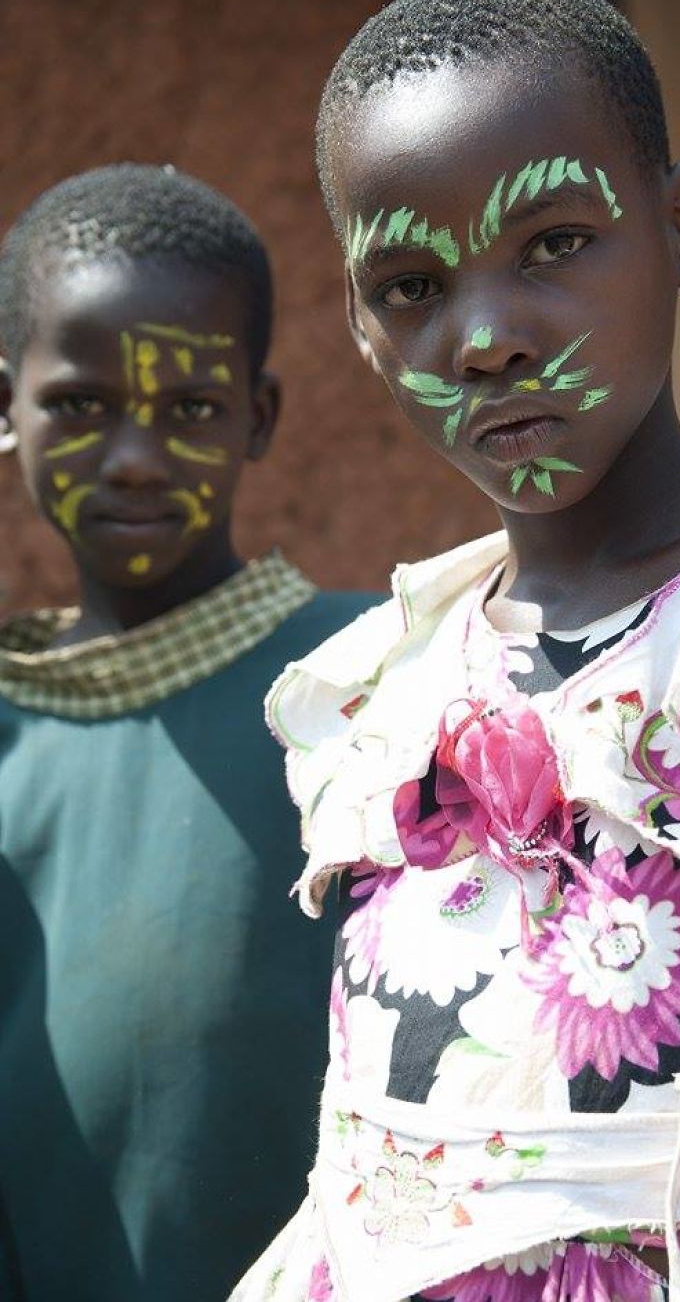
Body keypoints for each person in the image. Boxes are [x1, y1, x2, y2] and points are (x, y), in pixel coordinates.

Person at [232, 0, 680, 1300]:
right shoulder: (379, 699)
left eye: (552, 242)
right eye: (411, 285)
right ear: (363, 329)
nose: (483, 338)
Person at [0, 164, 380, 1302]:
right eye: (77, 404)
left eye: (191, 408)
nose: (132, 455)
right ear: (7, 405)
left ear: (257, 419)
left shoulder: (362, 682)